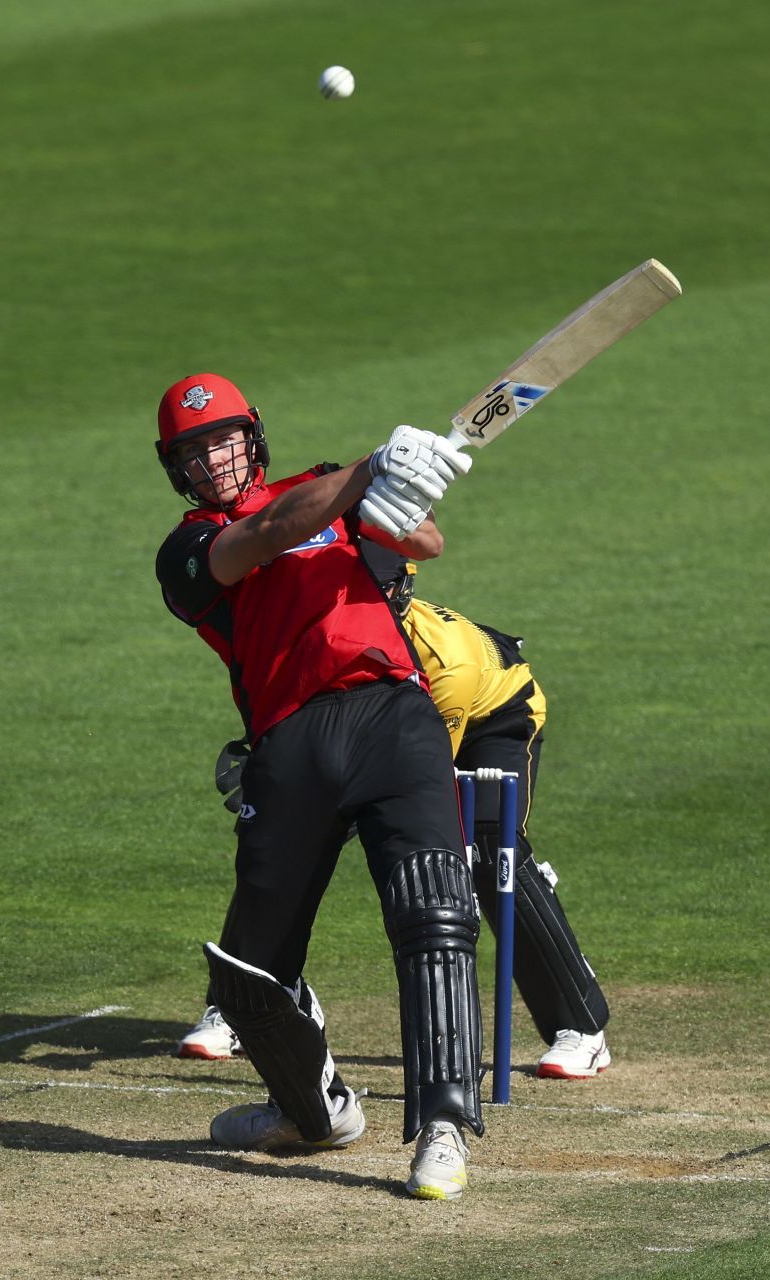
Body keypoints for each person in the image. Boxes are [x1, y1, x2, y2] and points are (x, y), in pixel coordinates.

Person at [153, 371, 483, 1200]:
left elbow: (425, 543)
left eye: (225, 439)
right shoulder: (187, 551)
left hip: (391, 713)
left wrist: (409, 488)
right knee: (247, 973)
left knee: (432, 912)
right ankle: (312, 1113)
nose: (214, 460)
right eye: (194, 452)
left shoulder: (324, 487)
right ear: (176, 469)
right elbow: (262, 537)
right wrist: (373, 469)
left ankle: (443, 1127)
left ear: (253, 437)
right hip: (289, 740)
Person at [182, 547, 613, 1080]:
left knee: (484, 853)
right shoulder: (316, 630)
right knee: (283, 842)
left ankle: (582, 1026)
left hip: (490, 716)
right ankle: (238, 1007)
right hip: (380, 722)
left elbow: (419, 783)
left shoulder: (443, 661)